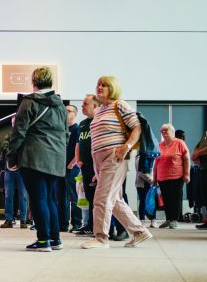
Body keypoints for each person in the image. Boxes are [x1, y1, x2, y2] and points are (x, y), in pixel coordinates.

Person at [81, 76, 152, 249]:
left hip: (115, 156)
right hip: (100, 160)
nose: (100, 87)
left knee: (102, 197)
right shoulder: (100, 111)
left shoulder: (119, 105)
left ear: (112, 88)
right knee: (115, 199)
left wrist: (126, 147)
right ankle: (139, 232)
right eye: (98, 84)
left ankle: (101, 237)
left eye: (104, 85)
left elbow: (137, 127)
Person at [6, 67, 68, 252]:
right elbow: (65, 135)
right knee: (50, 199)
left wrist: (12, 157)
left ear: (33, 82)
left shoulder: (29, 102)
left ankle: (43, 241)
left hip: (34, 157)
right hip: (56, 159)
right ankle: (55, 239)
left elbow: (19, 132)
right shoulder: (61, 105)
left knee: (38, 199)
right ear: (51, 82)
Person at [154, 123, 190, 228]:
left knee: (175, 198)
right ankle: (168, 219)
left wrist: (187, 174)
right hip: (162, 177)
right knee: (166, 199)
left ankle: (174, 220)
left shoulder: (179, 143)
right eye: (162, 131)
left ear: (173, 132)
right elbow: (156, 163)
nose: (164, 132)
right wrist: (154, 177)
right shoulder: (159, 145)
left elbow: (186, 158)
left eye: (166, 130)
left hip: (176, 176)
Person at [0, 117, 29, 229]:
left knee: (23, 196)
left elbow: (27, 150)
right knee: (8, 196)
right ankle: (9, 220)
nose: (15, 124)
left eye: (17, 121)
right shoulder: (8, 136)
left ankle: (23, 220)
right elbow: (5, 148)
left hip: (22, 169)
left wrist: (18, 161)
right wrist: (12, 160)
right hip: (9, 169)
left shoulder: (27, 135)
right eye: (13, 122)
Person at [73, 94, 97, 236]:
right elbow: (78, 144)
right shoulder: (82, 124)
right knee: (88, 197)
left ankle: (95, 226)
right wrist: (78, 161)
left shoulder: (99, 121)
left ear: (94, 105)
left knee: (96, 198)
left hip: (97, 166)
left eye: (85, 104)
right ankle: (89, 225)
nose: (82, 107)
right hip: (85, 166)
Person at [59, 104, 82, 231]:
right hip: (59, 168)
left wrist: (73, 163)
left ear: (75, 113)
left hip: (71, 168)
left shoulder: (77, 129)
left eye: (68, 111)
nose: (65, 113)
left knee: (73, 197)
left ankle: (77, 223)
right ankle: (63, 224)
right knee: (61, 197)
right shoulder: (61, 130)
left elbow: (79, 148)